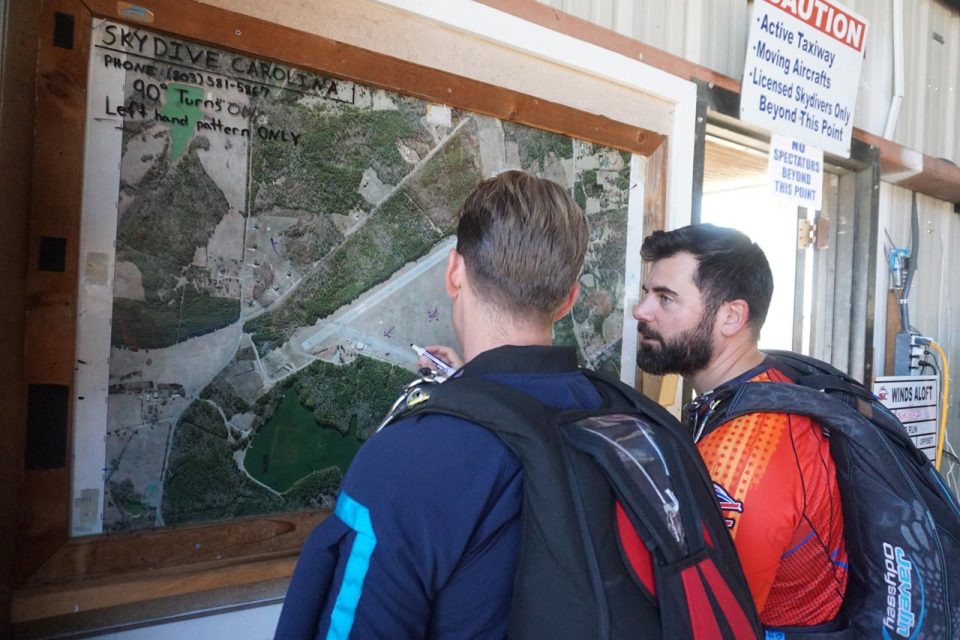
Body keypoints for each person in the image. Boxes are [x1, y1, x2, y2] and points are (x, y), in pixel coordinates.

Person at [274, 171, 598, 639]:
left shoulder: (403, 461)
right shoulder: (625, 427)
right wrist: (467, 384)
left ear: (453, 272)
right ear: (569, 300)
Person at [632, 224, 848, 629]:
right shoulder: (767, 385)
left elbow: (711, 620)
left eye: (665, 298)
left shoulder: (747, 450)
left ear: (731, 316)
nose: (641, 311)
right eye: (647, 293)